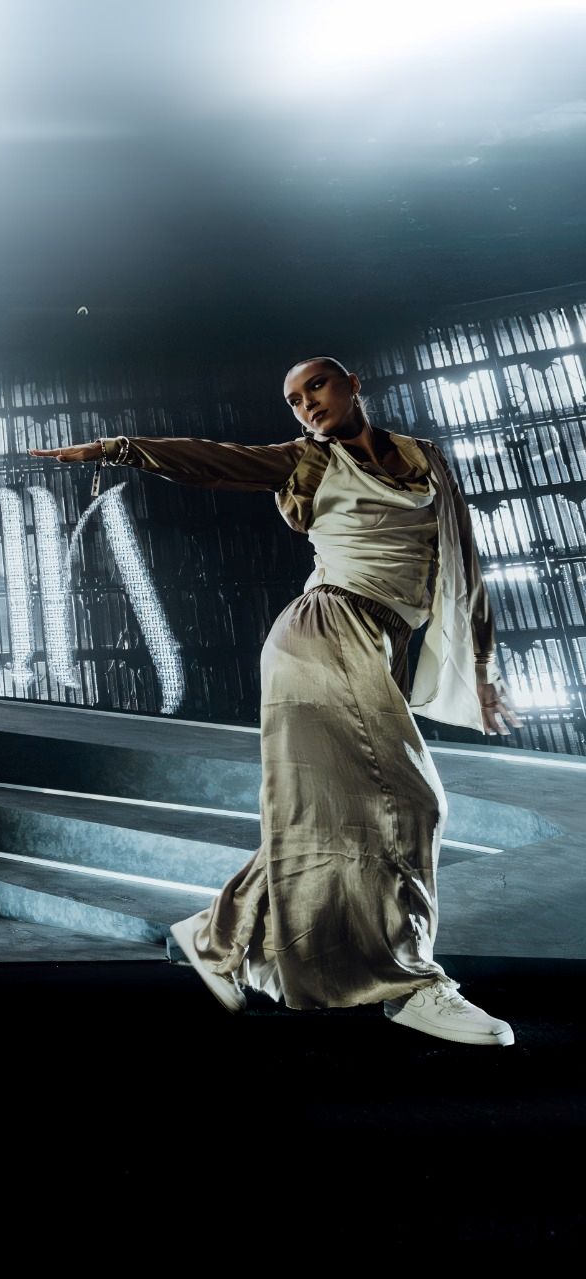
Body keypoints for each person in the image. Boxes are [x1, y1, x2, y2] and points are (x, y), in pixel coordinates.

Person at [31, 356, 522, 1046]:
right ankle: (411, 981)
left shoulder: (427, 461)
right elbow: (213, 460)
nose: (306, 405)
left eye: (316, 387)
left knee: (322, 815)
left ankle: (213, 938)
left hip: (374, 641)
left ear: (353, 383)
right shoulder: (306, 463)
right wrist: (121, 448)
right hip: (322, 631)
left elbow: (462, 566)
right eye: (293, 400)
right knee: (414, 802)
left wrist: (482, 671)